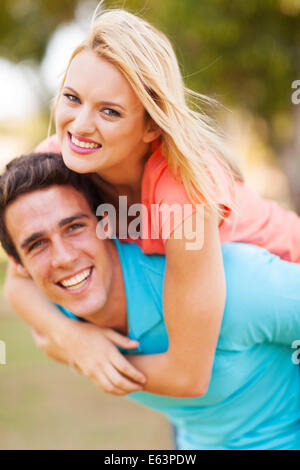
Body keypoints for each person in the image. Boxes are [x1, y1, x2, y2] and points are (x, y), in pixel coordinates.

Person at [5, 7, 300, 396]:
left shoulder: (183, 197)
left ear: (150, 126)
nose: (79, 125)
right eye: (72, 98)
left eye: (109, 111)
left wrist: (76, 356)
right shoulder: (63, 159)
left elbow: (188, 376)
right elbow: (18, 280)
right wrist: (73, 338)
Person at [1, 152, 300, 450]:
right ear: (20, 265)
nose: (64, 258)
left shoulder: (234, 284)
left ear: (108, 224)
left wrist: (87, 357)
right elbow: (19, 299)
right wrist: (73, 341)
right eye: (37, 245)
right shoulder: (55, 311)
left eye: (75, 227)